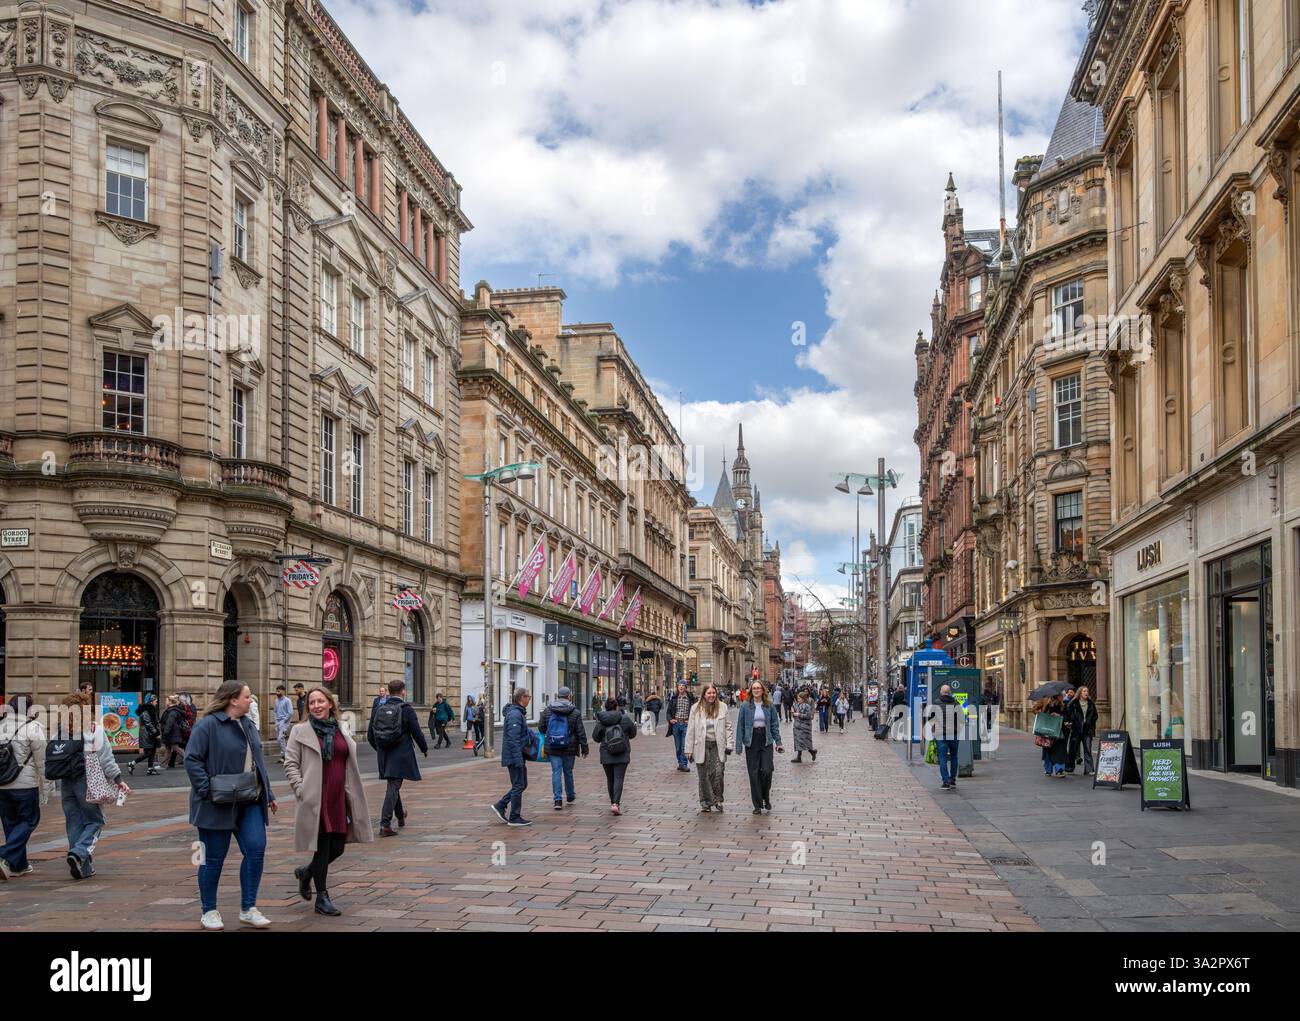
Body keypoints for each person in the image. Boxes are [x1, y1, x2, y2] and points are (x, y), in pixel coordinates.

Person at [184, 680, 278, 930]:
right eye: (248, 696)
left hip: (250, 800)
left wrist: (268, 793)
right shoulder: (207, 726)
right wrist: (206, 790)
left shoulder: (248, 724)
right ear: (232, 699)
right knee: (211, 859)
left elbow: (257, 761)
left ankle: (249, 907)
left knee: (256, 850)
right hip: (215, 803)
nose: (252, 700)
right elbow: (192, 759)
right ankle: (209, 910)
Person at [284, 686, 373, 916]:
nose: (316, 706)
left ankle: (307, 872)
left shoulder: (341, 728)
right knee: (323, 846)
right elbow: (290, 763)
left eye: (320, 701)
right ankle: (322, 897)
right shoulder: (300, 730)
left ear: (330, 704)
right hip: (315, 796)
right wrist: (300, 788)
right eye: (311, 703)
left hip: (340, 795)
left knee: (338, 846)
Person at [57, 693, 131, 879]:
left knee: (74, 823)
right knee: (96, 820)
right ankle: (79, 852)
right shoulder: (94, 729)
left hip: (66, 781)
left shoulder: (60, 731)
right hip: (88, 779)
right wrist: (118, 779)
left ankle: (84, 867)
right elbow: (106, 758)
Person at [366, 679, 426, 836]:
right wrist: (424, 749)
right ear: (403, 692)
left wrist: (379, 749)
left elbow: (370, 735)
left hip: (384, 754)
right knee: (394, 785)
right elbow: (417, 732)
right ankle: (385, 824)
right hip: (401, 754)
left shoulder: (380, 708)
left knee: (393, 784)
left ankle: (400, 816)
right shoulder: (406, 709)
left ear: (388, 691)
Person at [0, 694, 46, 880]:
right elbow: (42, 761)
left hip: (2, 785)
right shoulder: (33, 728)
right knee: (28, 821)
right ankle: (4, 854)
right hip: (25, 785)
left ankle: (18, 865)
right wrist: (47, 786)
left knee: (11, 824)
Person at [734, 679, 783, 814]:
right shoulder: (745, 706)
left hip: (766, 739)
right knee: (754, 773)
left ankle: (765, 798)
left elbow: (774, 725)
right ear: (751, 690)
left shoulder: (769, 705)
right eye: (753, 688)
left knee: (767, 771)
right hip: (751, 740)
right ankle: (757, 804)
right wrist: (738, 746)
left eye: (758, 688)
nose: (756, 690)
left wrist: (778, 742)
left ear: (762, 690)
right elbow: (740, 726)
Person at [685, 684, 732, 812]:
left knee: (718, 772)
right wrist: (688, 749)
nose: (711, 695)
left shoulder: (723, 707)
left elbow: (728, 727)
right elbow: (691, 729)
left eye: (713, 693)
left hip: (718, 745)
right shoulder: (696, 708)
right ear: (704, 695)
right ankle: (705, 802)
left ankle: (718, 799)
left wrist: (730, 744)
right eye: (709, 693)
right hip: (701, 745)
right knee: (704, 775)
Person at [539, 686, 588, 810]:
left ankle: (557, 800)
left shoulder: (548, 710)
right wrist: (584, 747)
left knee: (556, 772)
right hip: (569, 746)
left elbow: (541, 728)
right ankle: (570, 795)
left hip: (553, 745)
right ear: (569, 696)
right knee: (568, 771)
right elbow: (580, 731)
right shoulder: (575, 712)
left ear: (558, 696)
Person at [491, 687, 533, 826]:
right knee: (518, 785)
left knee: (522, 784)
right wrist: (518, 759)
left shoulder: (518, 713)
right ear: (522, 698)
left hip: (517, 755)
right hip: (515, 757)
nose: (530, 699)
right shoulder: (515, 714)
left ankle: (501, 805)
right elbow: (513, 739)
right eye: (529, 696)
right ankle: (514, 817)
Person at [592, 697, 638, 815]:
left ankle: (613, 802)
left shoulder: (601, 719)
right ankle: (615, 804)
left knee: (610, 779)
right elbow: (633, 733)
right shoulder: (625, 718)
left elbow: (596, 738)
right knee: (619, 778)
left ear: (605, 707)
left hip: (606, 754)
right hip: (622, 752)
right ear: (616, 706)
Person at [933, 684, 960, 790]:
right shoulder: (955, 703)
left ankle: (945, 781)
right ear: (949, 692)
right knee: (954, 756)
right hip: (953, 733)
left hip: (940, 734)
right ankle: (952, 780)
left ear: (941, 692)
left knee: (942, 758)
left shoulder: (936, 703)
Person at [1066, 685, 1098, 774]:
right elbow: (1068, 714)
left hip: (1087, 730)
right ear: (1080, 693)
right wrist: (1071, 721)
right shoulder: (1073, 703)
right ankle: (1069, 768)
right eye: (1084, 691)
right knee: (1073, 749)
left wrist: (1091, 725)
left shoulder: (1091, 703)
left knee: (1088, 749)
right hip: (1076, 730)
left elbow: (1095, 716)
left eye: (1087, 691)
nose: (1086, 693)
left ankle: (1089, 769)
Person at [1034, 694, 1069, 778]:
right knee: (1048, 749)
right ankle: (1049, 770)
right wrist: (1043, 714)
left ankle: (1059, 770)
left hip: (1059, 731)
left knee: (1059, 751)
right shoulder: (1046, 704)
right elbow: (1036, 711)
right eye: (1061, 695)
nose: (1063, 696)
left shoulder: (1063, 705)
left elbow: (1068, 717)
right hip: (1048, 731)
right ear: (1057, 696)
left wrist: (1059, 716)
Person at [128, 693, 161, 775]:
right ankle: (131, 763)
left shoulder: (151, 709)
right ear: (151, 701)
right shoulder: (146, 711)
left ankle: (150, 769)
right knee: (148, 752)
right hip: (147, 734)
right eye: (155, 701)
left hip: (149, 733)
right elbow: (148, 723)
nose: (156, 702)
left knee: (152, 751)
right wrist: (156, 733)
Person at [666, 682, 695, 772]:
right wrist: (671, 720)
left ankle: (684, 764)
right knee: (678, 747)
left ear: (685, 687)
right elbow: (668, 712)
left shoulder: (690, 698)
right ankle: (680, 763)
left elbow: (695, 711)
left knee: (684, 746)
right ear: (678, 687)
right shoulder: (674, 699)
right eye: (679, 685)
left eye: (683, 685)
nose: (681, 687)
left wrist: (690, 720)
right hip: (676, 724)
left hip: (686, 724)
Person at [160, 695, 188, 769]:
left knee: (176, 748)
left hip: (172, 734)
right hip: (173, 733)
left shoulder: (172, 711)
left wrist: (165, 733)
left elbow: (169, 724)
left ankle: (191, 761)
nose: (165, 702)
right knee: (168, 748)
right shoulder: (172, 710)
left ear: (170, 701)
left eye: (166, 700)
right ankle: (163, 765)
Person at [791, 689, 816, 763]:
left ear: (803, 699)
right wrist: (793, 713)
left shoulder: (807, 706)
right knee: (798, 741)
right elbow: (795, 714)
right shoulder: (797, 705)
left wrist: (799, 714)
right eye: (797, 698)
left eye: (799, 698)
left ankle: (812, 752)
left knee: (805, 742)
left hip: (804, 727)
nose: (798, 700)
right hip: (797, 726)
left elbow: (809, 716)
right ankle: (799, 757)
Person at [273, 685, 294, 764]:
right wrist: (276, 720)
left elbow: (290, 712)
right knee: (280, 739)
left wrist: (284, 720)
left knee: (280, 738)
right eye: (276, 690)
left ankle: (285, 756)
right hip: (278, 721)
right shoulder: (276, 701)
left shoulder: (287, 700)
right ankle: (284, 755)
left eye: (279, 691)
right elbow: (275, 711)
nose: (277, 692)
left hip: (285, 721)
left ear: (283, 691)